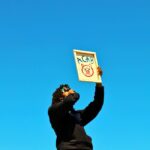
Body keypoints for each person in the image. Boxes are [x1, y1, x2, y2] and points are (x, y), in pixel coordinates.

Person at [48, 66, 104, 150]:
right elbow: (70, 100)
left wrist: (98, 83)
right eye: (66, 89)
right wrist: (74, 94)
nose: (70, 90)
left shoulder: (77, 115)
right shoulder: (54, 111)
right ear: (59, 97)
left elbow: (97, 104)